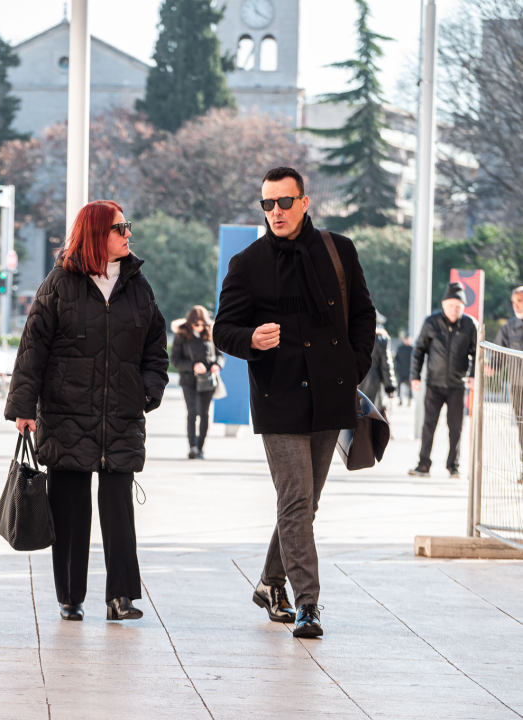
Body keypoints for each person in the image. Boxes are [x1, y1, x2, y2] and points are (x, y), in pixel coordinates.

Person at [214, 167, 376, 639]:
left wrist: (354, 365)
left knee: (304, 504)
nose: (276, 212)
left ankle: (269, 582)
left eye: (284, 202)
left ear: (305, 202)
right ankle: (308, 603)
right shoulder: (248, 263)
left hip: (331, 397)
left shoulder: (338, 250)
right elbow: (224, 329)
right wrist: (252, 340)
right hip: (279, 398)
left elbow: (364, 315)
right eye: (267, 205)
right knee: (297, 498)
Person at [5, 200, 169, 623]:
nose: (128, 234)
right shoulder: (59, 284)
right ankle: (70, 596)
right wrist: (23, 408)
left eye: (127, 226)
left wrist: (148, 392)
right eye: (120, 227)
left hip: (121, 416)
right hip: (66, 416)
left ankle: (121, 597)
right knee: (70, 511)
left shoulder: (139, 286)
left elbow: (156, 348)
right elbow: (32, 350)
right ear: (97, 234)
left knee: (119, 511)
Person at [408, 282, 478, 479]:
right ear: (444, 304)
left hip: (457, 385)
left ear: (463, 307)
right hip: (434, 384)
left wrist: (472, 376)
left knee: (456, 427)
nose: (454, 310)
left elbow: (476, 353)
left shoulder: (470, 324)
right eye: (451, 305)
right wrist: (415, 376)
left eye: (458, 306)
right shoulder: (431, 322)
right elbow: (418, 350)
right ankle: (423, 464)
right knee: (429, 425)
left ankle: (453, 465)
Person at [170, 305, 221, 459]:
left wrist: (216, 364)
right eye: (196, 324)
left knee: (204, 414)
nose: (200, 327)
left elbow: (220, 355)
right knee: (192, 412)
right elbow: (175, 360)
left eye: (202, 324)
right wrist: (193, 366)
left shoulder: (210, 333)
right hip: (188, 380)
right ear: (190, 323)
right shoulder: (181, 335)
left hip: (207, 380)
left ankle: (200, 447)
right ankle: (192, 446)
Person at [491, 287, 523, 483]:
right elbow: (496, 356)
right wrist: (490, 368)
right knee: (522, 427)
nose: (517, 305)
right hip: (518, 385)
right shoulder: (509, 327)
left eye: (520, 300)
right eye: (514, 301)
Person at [358, 312, 397, 413]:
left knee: (354, 416)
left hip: (356, 380)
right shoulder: (381, 338)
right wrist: (390, 387)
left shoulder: (353, 336)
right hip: (374, 382)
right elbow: (386, 365)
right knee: (371, 415)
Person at [395, 335, 413, 406]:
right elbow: (396, 359)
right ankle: (400, 400)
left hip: (409, 371)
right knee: (399, 386)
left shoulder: (412, 349)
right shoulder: (400, 348)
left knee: (410, 387)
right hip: (401, 371)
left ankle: (409, 401)